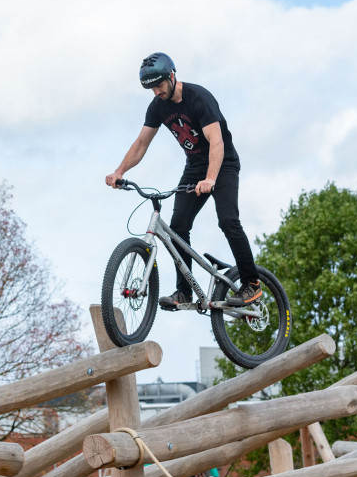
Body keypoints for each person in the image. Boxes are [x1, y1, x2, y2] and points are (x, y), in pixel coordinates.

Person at [105, 52, 261, 310]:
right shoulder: (157, 106)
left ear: (172, 76)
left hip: (222, 165)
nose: (156, 92)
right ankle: (184, 292)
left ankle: (252, 283)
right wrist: (119, 171)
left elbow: (217, 142)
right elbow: (142, 143)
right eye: (151, 88)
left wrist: (211, 178)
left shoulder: (199, 98)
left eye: (159, 85)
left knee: (228, 220)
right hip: (194, 167)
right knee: (178, 228)